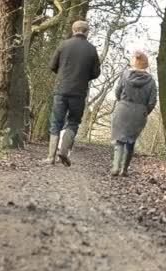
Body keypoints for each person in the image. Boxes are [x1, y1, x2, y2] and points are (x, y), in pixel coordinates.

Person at [44, 20, 101, 166]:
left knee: (56, 123)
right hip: (79, 92)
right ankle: (63, 150)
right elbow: (96, 73)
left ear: (73, 30)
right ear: (87, 32)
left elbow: (52, 65)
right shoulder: (91, 49)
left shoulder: (63, 45)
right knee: (73, 122)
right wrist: (83, 77)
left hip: (61, 90)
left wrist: (62, 74)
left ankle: (50, 157)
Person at [110, 51, 157, 176]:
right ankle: (124, 169)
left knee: (119, 140)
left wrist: (122, 102)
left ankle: (115, 167)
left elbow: (117, 92)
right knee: (131, 141)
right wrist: (145, 112)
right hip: (139, 113)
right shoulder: (151, 81)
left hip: (123, 108)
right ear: (145, 64)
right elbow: (152, 101)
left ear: (134, 61)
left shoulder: (125, 75)